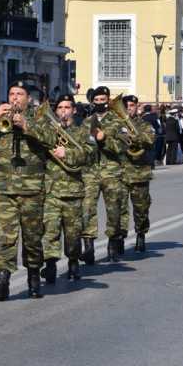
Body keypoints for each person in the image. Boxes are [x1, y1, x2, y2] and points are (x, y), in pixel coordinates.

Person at [0, 81, 52, 300]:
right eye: (12, 94)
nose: (15, 98)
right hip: (5, 188)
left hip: (32, 187)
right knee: (6, 237)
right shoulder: (0, 118)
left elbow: (51, 140)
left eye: (19, 94)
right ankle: (2, 282)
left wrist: (26, 125)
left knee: (32, 237)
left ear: (28, 98)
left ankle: (34, 279)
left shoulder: (40, 116)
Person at [39, 95, 91, 283]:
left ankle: (74, 263)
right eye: (59, 107)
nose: (62, 111)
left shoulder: (83, 132)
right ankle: (50, 265)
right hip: (52, 190)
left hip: (73, 191)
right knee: (50, 230)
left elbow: (89, 155)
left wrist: (66, 152)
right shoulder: (49, 131)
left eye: (67, 107)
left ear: (74, 110)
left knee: (73, 233)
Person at [81, 86, 128, 264]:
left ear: (108, 100)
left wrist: (105, 139)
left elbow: (123, 147)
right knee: (87, 209)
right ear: (92, 101)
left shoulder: (118, 121)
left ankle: (113, 245)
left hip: (111, 171)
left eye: (103, 100)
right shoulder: (86, 122)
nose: (100, 103)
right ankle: (88, 247)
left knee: (114, 209)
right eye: (97, 100)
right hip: (90, 172)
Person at [117, 96, 158, 253]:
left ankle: (140, 234)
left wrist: (134, 136)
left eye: (132, 105)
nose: (129, 108)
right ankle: (119, 238)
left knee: (141, 208)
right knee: (119, 208)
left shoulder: (145, 125)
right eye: (126, 106)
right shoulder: (117, 125)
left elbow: (150, 139)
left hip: (139, 172)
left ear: (137, 107)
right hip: (120, 172)